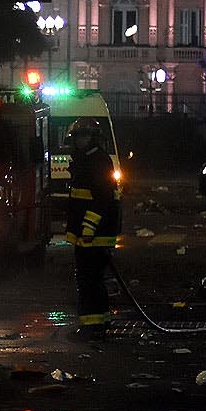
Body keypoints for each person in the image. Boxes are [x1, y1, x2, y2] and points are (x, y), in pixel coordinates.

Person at [64, 118, 122, 340]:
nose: (80, 141)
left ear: (93, 138)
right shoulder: (88, 159)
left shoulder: (97, 160)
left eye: (84, 136)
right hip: (91, 234)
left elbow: (102, 199)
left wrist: (88, 228)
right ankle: (100, 321)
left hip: (94, 235)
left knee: (88, 281)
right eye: (78, 137)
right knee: (93, 280)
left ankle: (91, 327)